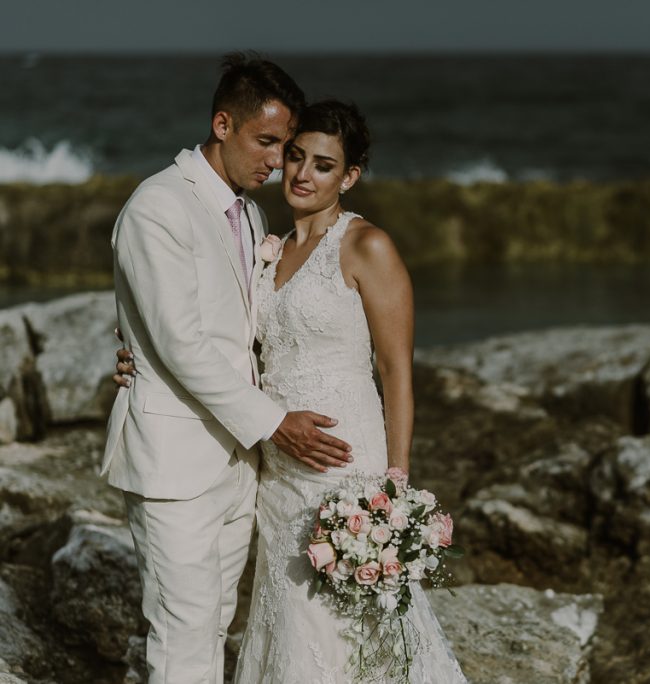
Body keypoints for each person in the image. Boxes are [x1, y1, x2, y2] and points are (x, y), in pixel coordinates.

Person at [116, 99, 467, 681]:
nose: (301, 174)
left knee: (352, 623)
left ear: (349, 177)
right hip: (275, 470)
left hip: (343, 461)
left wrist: (395, 483)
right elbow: (203, 329)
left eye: (324, 165)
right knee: (289, 621)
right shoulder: (265, 242)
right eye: (295, 156)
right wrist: (136, 356)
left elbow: (395, 368)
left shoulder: (366, 246)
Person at [104, 55, 354, 684]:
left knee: (215, 624)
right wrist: (275, 423)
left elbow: (237, 331)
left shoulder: (250, 216)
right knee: (181, 633)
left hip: (236, 462)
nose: (276, 161)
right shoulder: (158, 207)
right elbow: (181, 343)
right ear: (222, 124)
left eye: (284, 146)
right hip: (174, 463)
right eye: (265, 142)